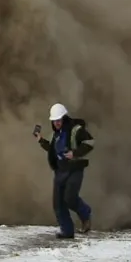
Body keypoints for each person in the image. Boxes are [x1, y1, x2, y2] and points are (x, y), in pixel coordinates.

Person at [33, 102, 95, 239]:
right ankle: (67, 231)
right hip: (60, 170)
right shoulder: (56, 135)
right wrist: (41, 140)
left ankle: (85, 213)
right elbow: (53, 149)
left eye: (58, 120)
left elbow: (90, 142)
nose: (56, 123)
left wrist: (75, 153)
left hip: (74, 169)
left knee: (70, 197)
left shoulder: (76, 130)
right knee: (58, 204)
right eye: (54, 121)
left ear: (64, 118)